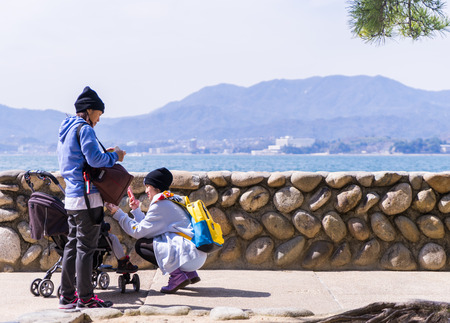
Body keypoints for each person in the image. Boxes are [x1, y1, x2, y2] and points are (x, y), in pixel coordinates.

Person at [57, 86, 126, 309]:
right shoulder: (84, 129)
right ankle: (86, 298)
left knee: (72, 246)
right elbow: (95, 160)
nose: (99, 119)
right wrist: (116, 156)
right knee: (86, 249)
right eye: (98, 114)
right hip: (87, 198)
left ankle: (67, 297)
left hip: (72, 198)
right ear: (89, 110)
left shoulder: (65, 130)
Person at [105, 167, 207, 294]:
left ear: (157, 188)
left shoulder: (160, 204)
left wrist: (118, 214)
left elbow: (138, 232)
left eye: (148, 186)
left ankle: (177, 276)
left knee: (141, 245)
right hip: (196, 254)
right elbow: (150, 227)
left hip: (190, 258)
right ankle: (189, 274)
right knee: (153, 240)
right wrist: (136, 210)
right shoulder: (171, 199)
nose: (146, 190)